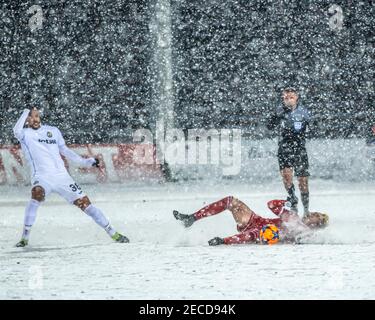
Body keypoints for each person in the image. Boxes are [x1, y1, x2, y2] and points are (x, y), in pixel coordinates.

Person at [13, 107, 129, 247]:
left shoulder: (53, 131)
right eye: (31, 117)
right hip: (42, 177)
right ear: (26, 120)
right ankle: (24, 238)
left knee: (86, 205)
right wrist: (26, 111)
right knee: (37, 194)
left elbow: (66, 151)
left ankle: (113, 232)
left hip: (63, 178)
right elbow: (16, 130)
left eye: (37, 116)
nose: (35, 119)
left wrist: (87, 162)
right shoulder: (25, 134)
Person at [173, 196, 328, 245]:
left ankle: (223, 240)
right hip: (257, 222)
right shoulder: (294, 219)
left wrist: (225, 241)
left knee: (254, 234)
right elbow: (272, 204)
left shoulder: (299, 226)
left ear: (316, 224)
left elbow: (272, 205)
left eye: (317, 216)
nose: (313, 213)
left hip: (264, 232)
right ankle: (191, 218)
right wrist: (286, 205)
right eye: (316, 213)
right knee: (230, 201)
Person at [267, 87, 311, 216]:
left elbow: (313, 127)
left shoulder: (304, 111)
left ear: (296, 97)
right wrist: (277, 116)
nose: (289, 100)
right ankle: (293, 201)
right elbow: (269, 126)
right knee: (287, 178)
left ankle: (307, 210)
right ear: (283, 99)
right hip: (284, 148)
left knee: (303, 181)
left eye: (291, 97)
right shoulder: (279, 111)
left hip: (299, 149)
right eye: (286, 98)